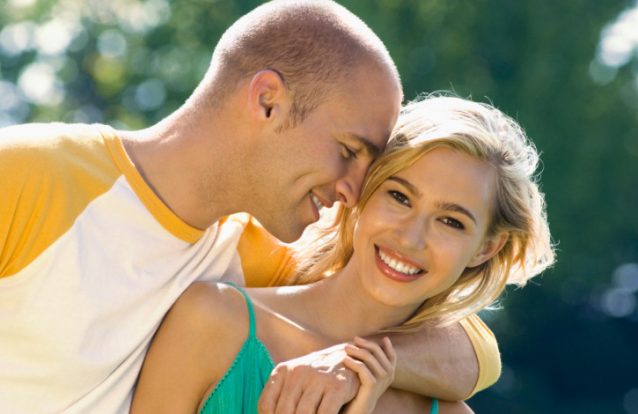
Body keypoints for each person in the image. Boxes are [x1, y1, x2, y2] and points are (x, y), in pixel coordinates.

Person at [0, 1, 498, 412]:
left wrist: (355, 365)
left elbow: (474, 350)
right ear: (266, 101)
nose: (354, 191)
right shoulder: (28, 178)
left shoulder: (263, 256)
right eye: (348, 151)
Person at [130, 94, 555, 414]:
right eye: (399, 197)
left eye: (451, 221)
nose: (410, 238)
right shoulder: (213, 320)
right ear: (363, 191)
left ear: (486, 248)